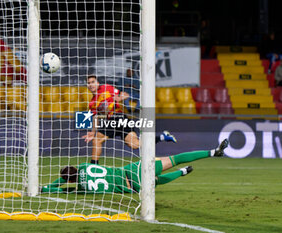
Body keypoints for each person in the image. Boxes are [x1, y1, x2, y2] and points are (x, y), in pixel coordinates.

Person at [41, 139, 229, 194]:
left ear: (70, 180)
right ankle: (213, 152)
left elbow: (64, 188)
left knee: (156, 182)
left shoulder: (81, 188)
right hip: (131, 170)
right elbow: (68, 177)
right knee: (175, 158)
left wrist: (46, 188)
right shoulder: (83, 166)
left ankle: (181, 173)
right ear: (75, 168)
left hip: (132, 186)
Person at [82, 75, 176, 165]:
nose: (91, 84)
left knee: (97, 140)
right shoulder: (92, 103)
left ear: (97, 83)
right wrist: (92, 132)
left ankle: (93, 167)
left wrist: (119, 98)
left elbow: (125, 95)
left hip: (118, 117)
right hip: (114, 120)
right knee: (134, 144)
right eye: (88, 83)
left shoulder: (106, 88)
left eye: (93, 82)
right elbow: (95, 118)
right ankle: (162, 137)